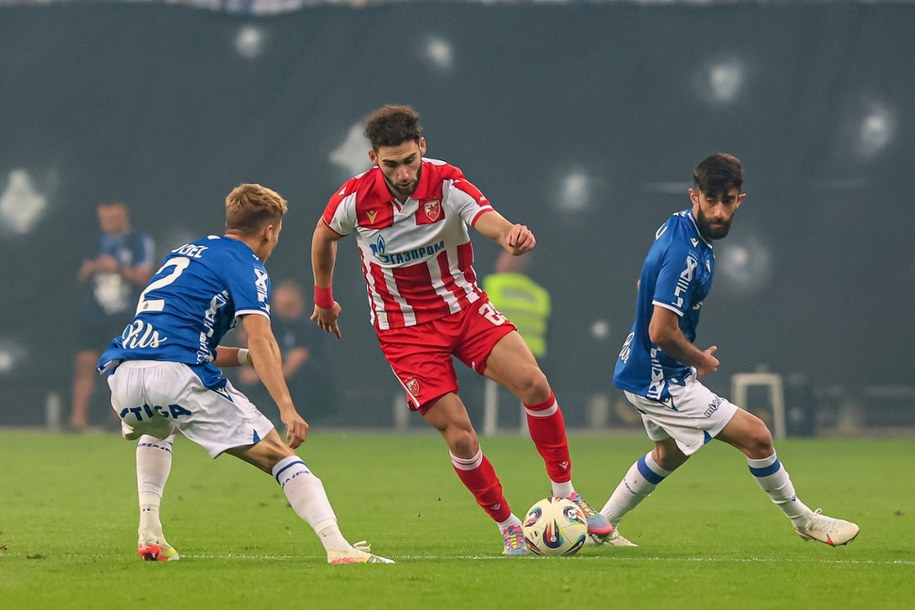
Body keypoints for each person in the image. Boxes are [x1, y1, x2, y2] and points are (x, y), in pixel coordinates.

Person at [310, 104, 613, 556]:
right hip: (404, 331)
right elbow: (323, 234)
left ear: (422, 148)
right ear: (374, 158)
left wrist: (511, 234)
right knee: (460, 433)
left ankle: (567, 494)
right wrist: (323, 298)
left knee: (534, 382)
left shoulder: (446, 182)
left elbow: (484, 218)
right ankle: (509, 526)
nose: (404, 173)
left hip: (464, 308)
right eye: (391, 164)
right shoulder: (354, 199)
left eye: (410, 160)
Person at [97, 183, 392, 565]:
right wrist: (287, 407)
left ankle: (150, 533)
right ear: (269, 231)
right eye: (278, 234)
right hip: (175, 376)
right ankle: (339, 547)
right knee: (280, 457)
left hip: (124, 375)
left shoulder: (182, 255)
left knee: (158, 427)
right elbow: (261, 334)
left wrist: (242, 357)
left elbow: (182, 339)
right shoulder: (246, 263)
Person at [593, 153, 859, 548]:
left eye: (728, 200)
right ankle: (804, 520)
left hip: (645, 367)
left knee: (668, 454)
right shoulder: (686, 253)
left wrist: (676, 348)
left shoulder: (677, 225)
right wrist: (698, 359)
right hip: (658, 378)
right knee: (758, 437)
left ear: (741, 200)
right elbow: (661, 329)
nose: (719, 211)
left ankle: (599, 526)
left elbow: (643, 286)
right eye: (711, 199)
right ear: (694, 195)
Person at [71, 201, 155, 431]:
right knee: (85, 363)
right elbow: (81, 274)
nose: (108, 223)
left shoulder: (138, 242)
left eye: (113, 218)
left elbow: (145, 277)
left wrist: (117, 268)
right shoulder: (95, 241)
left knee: (122, 367)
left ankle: (118, 418)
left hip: (125, 313)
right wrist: (95, 267)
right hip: (96, 312)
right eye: (104, 219)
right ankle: (78, 419)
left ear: (123, 216)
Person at [233, 279, 337, 421]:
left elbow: (298, 358)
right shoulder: (271, 322)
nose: (282, 309)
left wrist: (266, 378)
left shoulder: (308, 324)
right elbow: (252, 341)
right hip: (272, 373)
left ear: (299, 303)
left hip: (305, 384)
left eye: (288, 305)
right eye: (279, 305)